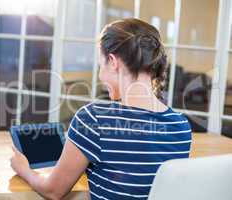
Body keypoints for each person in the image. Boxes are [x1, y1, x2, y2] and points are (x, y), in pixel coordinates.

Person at [10, 18, 192, 200]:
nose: (100, 75)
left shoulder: (93, 119)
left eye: (100, 65)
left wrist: (24, 169)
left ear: (113, 61)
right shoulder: (181, 126)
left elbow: (53, 191)